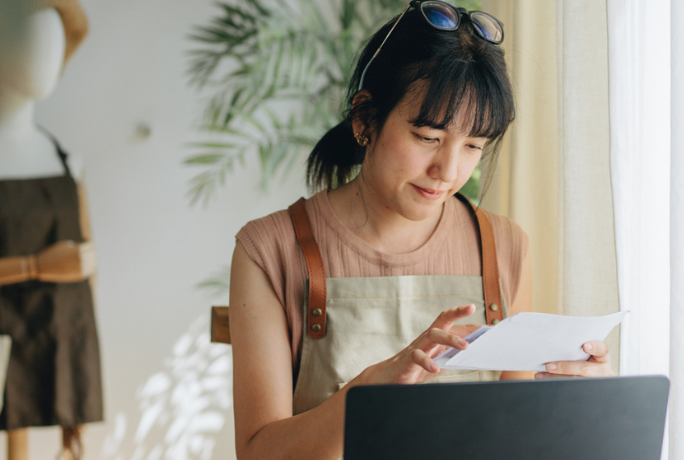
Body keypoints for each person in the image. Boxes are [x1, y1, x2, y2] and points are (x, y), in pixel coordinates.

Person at [227, 1, 612, 458]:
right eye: (428, 138)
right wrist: (369, 394)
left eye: (473, 146)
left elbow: (518, 438)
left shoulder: (503, 245)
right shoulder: (269, 250)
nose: (448, 171)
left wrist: (581, 403)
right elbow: (257, 453)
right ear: (365, 118)